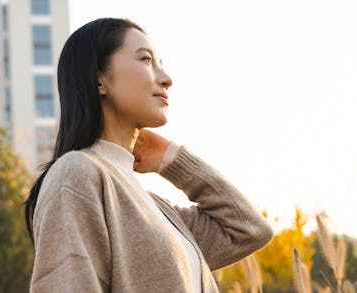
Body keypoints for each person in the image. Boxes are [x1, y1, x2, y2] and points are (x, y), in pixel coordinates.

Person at [24, 18, 274, 292]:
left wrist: (173, 160)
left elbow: (248, 229)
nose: (167, 79)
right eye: (146, 60)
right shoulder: (76, 173)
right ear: (99, 80)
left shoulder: (157, 209)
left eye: (161, 64)